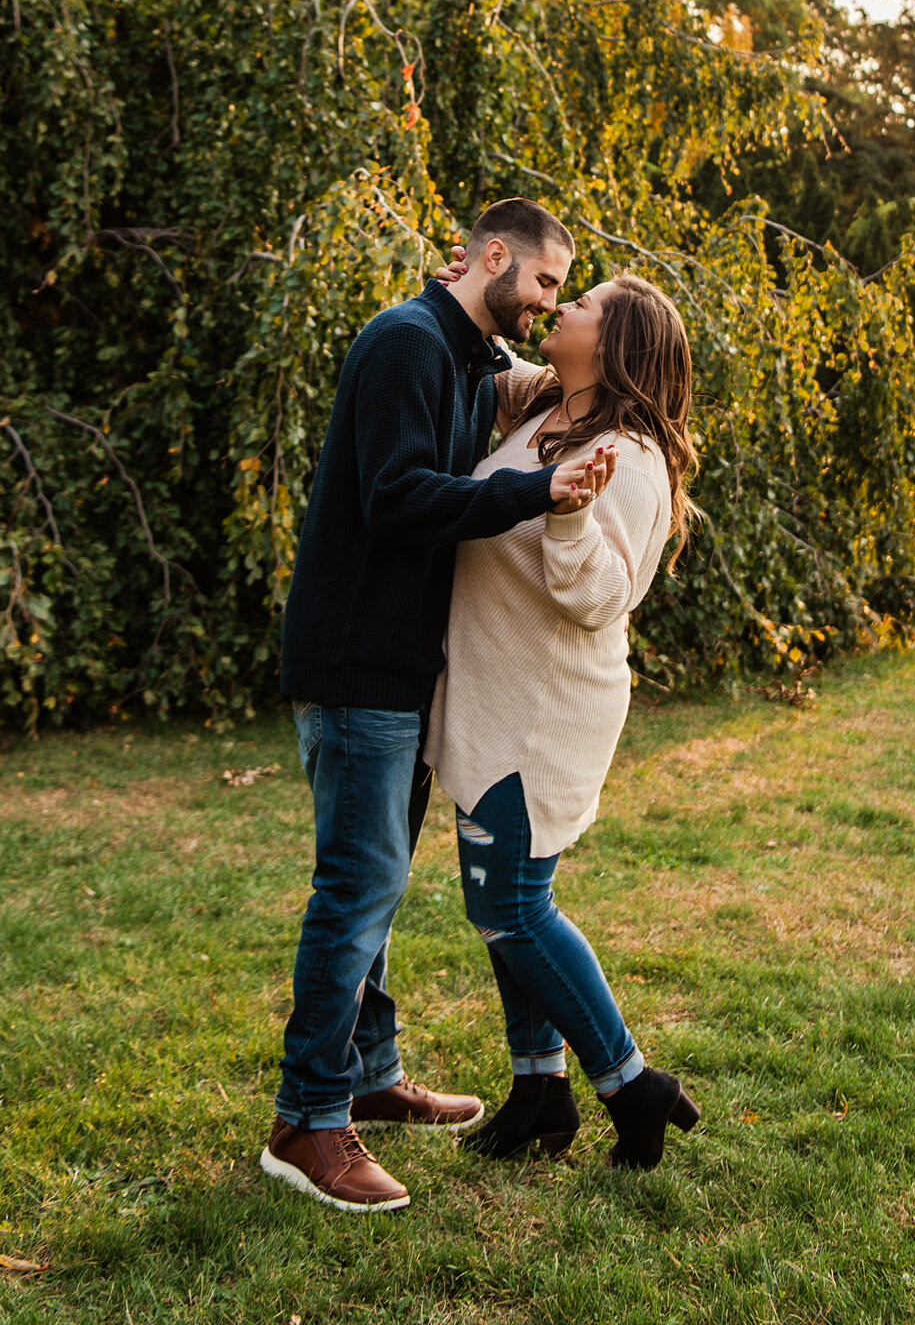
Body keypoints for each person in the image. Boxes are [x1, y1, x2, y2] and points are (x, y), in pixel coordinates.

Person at [262, 198, 612, 1213]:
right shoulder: (405, 343)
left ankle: (369, 1073)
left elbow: (537, 387)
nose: (548, 302)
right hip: (356, 662)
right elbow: (399, 496)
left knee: (374, 888)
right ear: (492, 256)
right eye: (544, 282)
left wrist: (603, 378)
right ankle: (306, 1118)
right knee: (356, 887)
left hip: (405, 665)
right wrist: (538, 495)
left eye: (561, 294)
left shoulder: (463, 360)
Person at [424, 260, 702, 1171]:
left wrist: (570, 517)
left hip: (543, 713)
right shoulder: (546, 409)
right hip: (496, 696)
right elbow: (463, 354)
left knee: (508, 904)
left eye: (578, 304)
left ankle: (630, 1084)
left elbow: (603, 596)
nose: (561, 306)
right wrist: (469, 286)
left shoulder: (630, 458)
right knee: (507, 905)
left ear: (613, 344)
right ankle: (539, 1090)